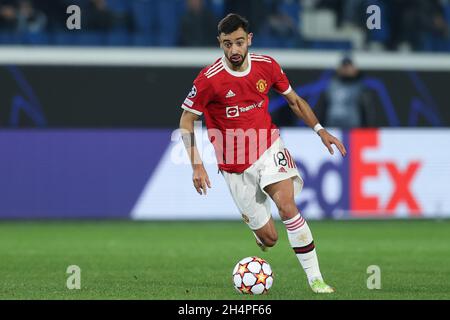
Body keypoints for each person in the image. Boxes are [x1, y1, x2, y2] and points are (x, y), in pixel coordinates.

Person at [178, 13, 346, 294]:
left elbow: (293, 101)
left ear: (249, 40)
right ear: (220, 43)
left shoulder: (267, 66)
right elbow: (186, 121)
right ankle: (260, 234)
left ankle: (316, 279)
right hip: (233, 165)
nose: (234, 50)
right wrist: (197, 165)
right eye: (227, 44)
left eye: (239, 43)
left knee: (287, 206)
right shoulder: (209, 79)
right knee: (269, 239)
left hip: (268, 147)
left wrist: (320, 129)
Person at [317, 56, 375, 128]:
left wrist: (367, 129)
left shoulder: (361, 87)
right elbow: (322, 108)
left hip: (353, 128)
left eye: (348, 67)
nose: (346, 69)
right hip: (331, 127)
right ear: (339, 69)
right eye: (344, 66)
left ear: (354, 69)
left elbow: (367, 110)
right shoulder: (331, 85)